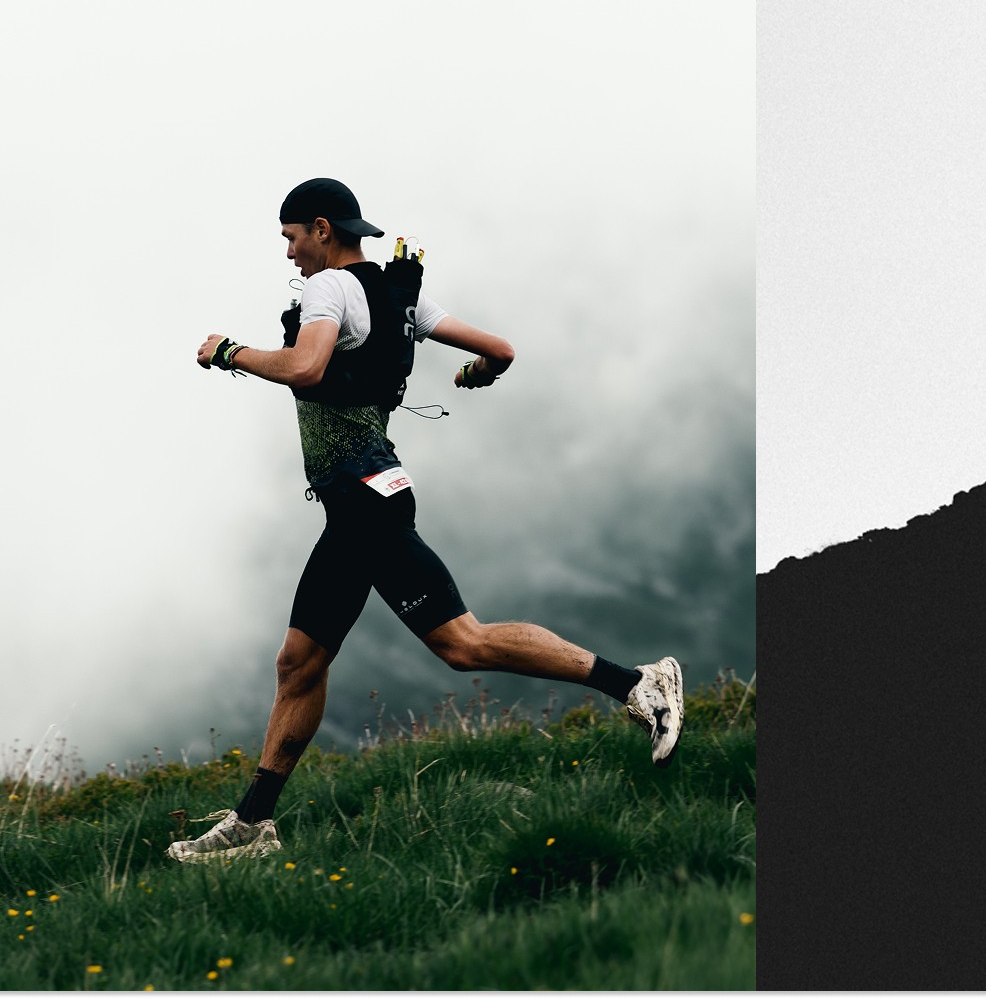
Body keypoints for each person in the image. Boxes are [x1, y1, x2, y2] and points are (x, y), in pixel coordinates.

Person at [169, 178, 684, 864]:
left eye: (292, 238)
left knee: (463, 644)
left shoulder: (327, 288)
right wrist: (478, 374)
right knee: (298, 663)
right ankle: (253, 825)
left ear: (323, 229)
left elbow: (306, 365)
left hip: (365, 502)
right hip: (358, 502)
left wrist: (229, 351)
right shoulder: (397, 295)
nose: (291, 254)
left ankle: (638, 684)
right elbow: (500, 349)